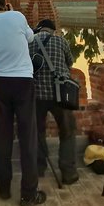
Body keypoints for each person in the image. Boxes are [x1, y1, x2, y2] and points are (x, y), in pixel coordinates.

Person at [0, 0, 45, 206]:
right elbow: (30, 37)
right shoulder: (17, 16)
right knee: (28, 137)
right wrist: (13, 13)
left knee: (3, 135)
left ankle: (4, 188)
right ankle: (28, 193)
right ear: (5, 3)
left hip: (0, 82)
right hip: (23, 81)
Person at [29, 19, 79, 185]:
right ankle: (68, 172)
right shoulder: (61, 40)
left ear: (39, 29)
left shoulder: (30, 42)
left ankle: (39, 167)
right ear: (53, 30)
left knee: (37, 132)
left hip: (36, 95)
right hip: (60, 95)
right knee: (67, 131)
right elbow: (70, 62)